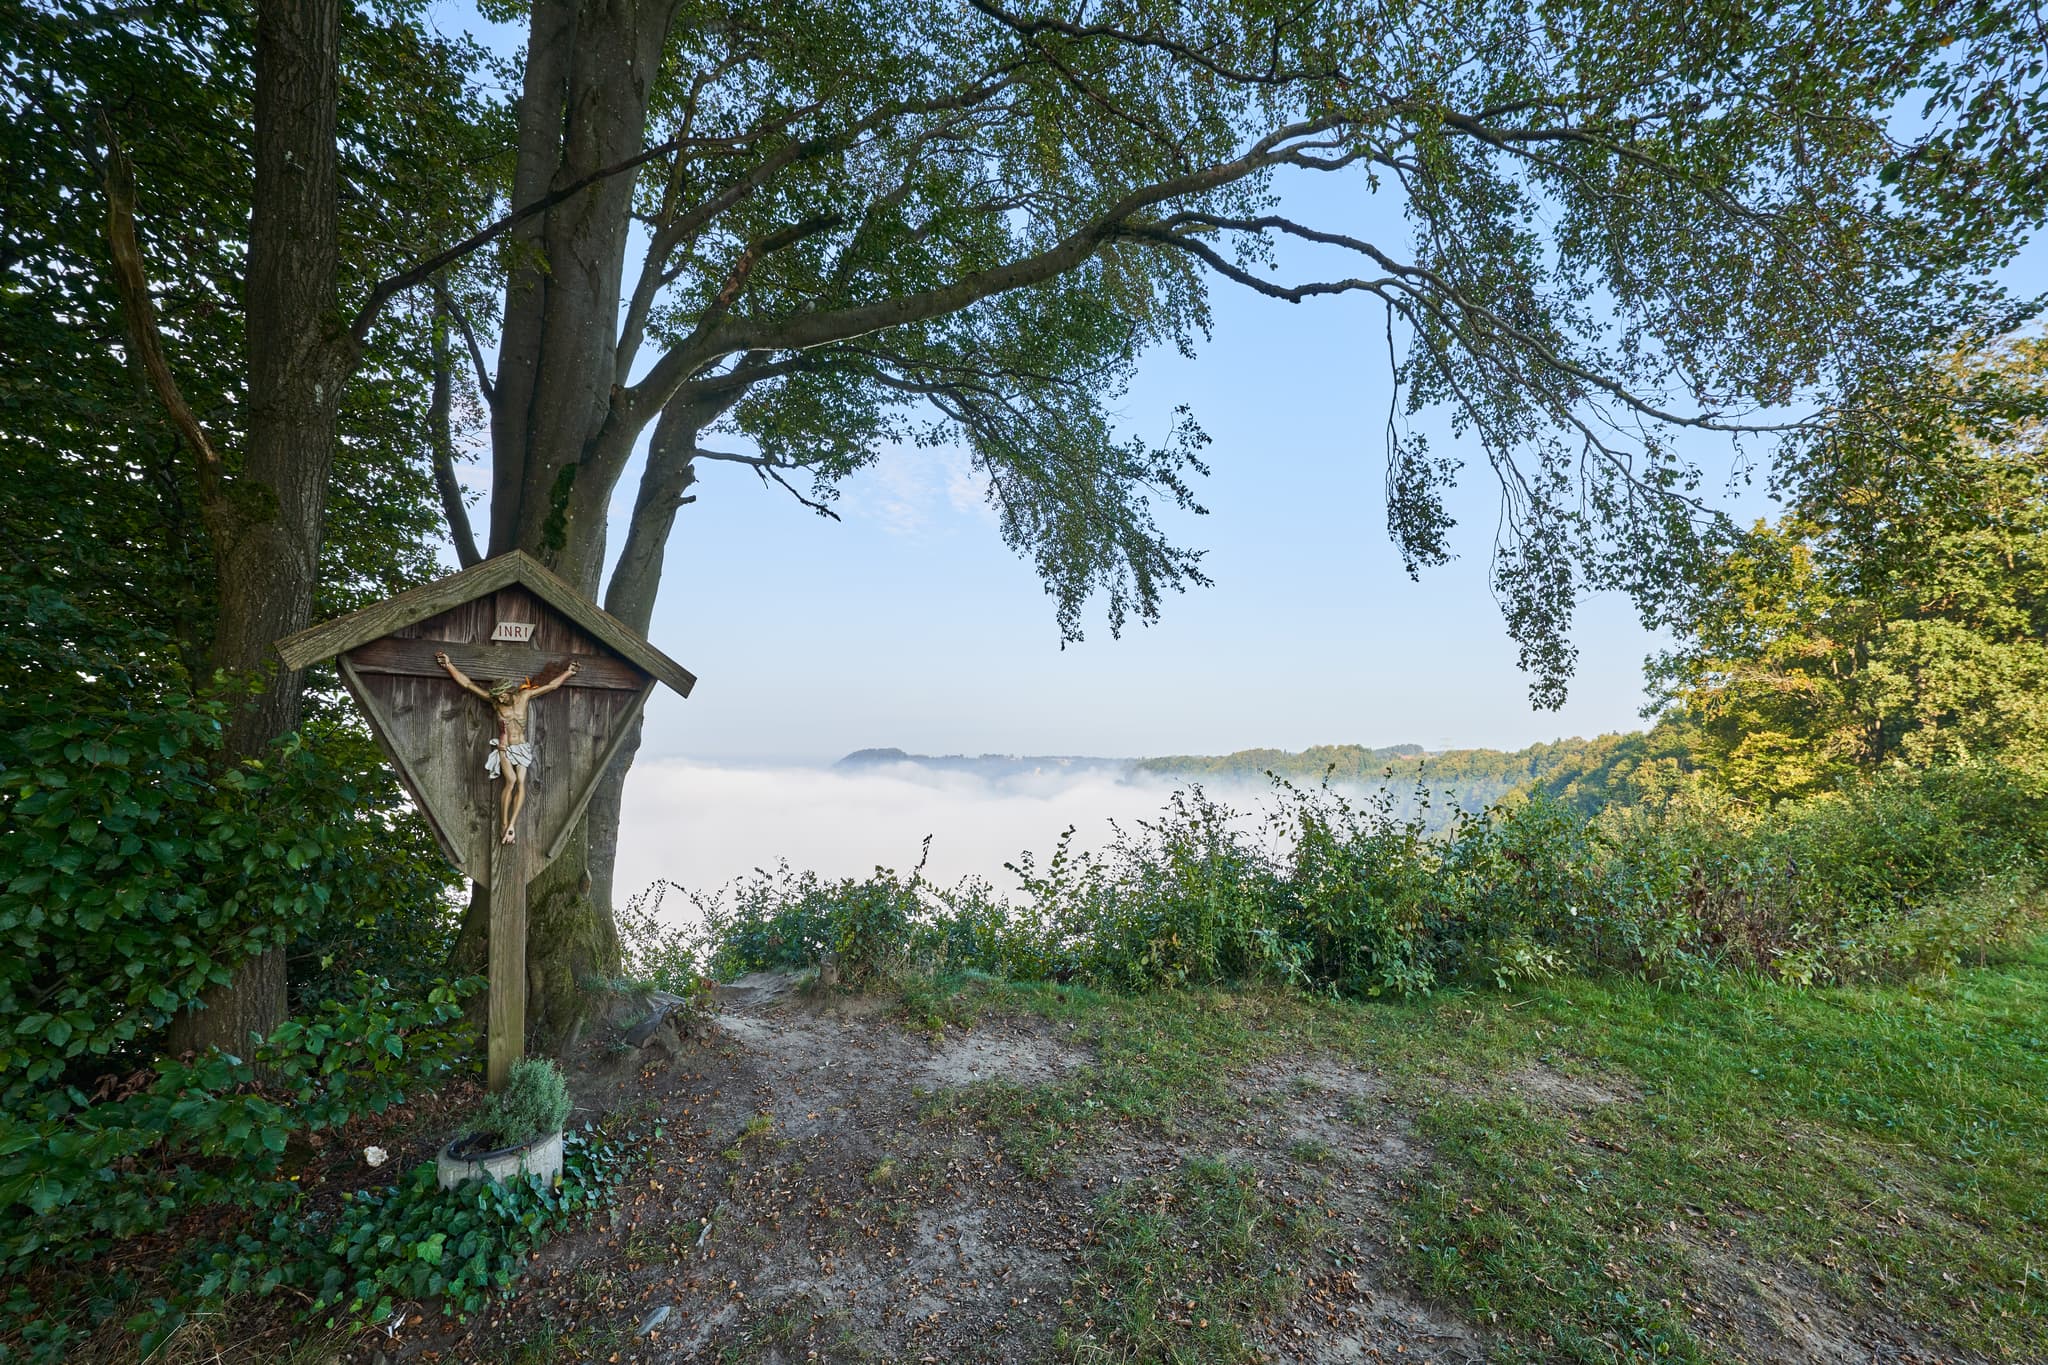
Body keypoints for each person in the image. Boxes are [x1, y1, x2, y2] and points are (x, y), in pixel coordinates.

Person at [434, 652, 580, 843]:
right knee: (510, 781)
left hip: (521, 747)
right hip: (505, 746)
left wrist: (568, 673)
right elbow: (468, 685)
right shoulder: (495, 703)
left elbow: (551, 686)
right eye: (497, 698)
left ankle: (512, 825)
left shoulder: (524, 696)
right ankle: (503, 823)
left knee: (521, 782)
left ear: (509, 691)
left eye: (502, 696)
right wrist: (449, 665)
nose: (500, 700)